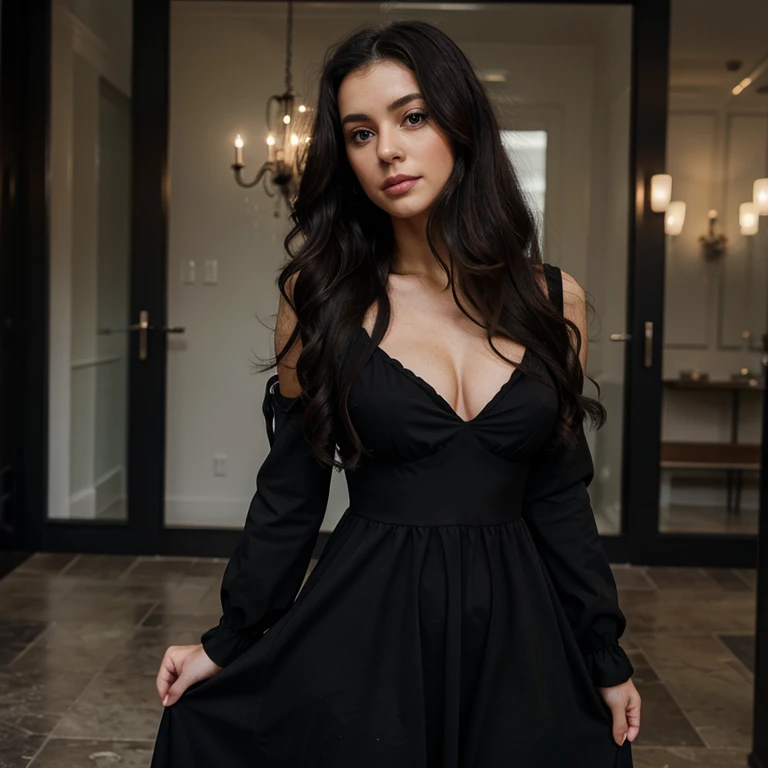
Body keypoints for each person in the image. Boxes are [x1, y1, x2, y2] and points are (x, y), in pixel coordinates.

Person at [150, 19, 641, 767]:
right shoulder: (318, 299)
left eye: (412, 116)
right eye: (358, 132)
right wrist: (229, 638)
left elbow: (559, 493)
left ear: (461, 121)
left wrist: (604, 653)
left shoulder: (553, 299)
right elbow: (290, 493)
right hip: (368, 621)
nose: (387, 149)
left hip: (519, 630)